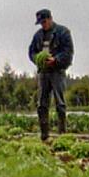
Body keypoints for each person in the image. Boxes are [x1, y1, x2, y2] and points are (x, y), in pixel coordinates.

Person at [28, 9, 74, 140]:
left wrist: (56, 60)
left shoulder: (63, 32)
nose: (43, 24)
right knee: (42, 103)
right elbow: (31, 52)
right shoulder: (37, 36)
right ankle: (44, 135)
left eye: (44, 21)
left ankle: (62, 133)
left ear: (50, 18)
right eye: (40, 23)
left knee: (60, 102)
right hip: (43, 73)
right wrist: (37, 59)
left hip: (57, 72)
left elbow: (68, 52)